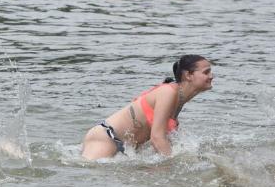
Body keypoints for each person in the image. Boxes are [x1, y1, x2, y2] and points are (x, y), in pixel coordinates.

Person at [81, 55, 213, 160]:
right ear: (188, 75)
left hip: (127, 151)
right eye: (206, 72)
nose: (211, 76)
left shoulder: (179, 99)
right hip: (106, 139)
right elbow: (157, 137)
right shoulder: (168, 92)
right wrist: (175, 166)